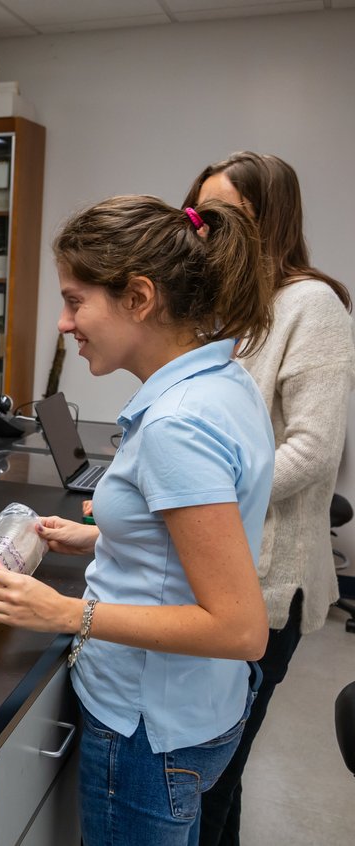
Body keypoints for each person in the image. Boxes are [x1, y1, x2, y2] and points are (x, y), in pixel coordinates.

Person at [0, 195, 277, 846]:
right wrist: (106, 535)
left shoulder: (177, 425)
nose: (63, 322)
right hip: (199, 709)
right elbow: (207, 530)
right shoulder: (222, 380)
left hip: (146, 728)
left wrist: (63, 613)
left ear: (138, 297)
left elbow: (241, 628)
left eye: (76, 301)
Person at [184, 153, 355, 846]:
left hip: (264, 582)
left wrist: (195, 496)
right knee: (212, 774)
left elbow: (312, 453)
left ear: (271, 223)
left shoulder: (310, 306)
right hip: (211, 567)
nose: (203, 235)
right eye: (198, 217)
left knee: (208, 783)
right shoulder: (222, 305)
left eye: (224, 219)